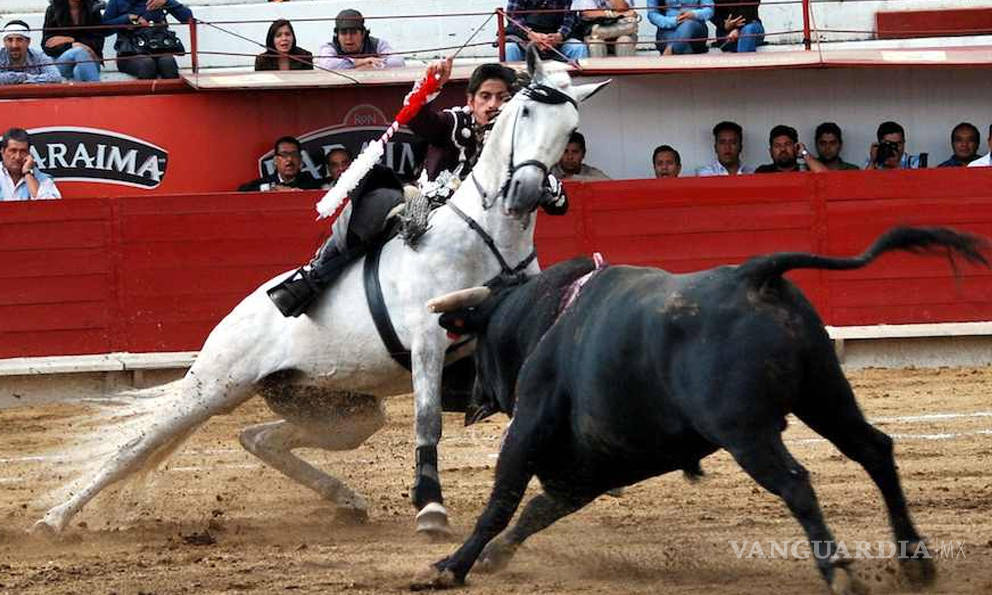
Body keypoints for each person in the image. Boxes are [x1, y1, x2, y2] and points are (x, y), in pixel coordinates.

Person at [267, 58, 570, 317]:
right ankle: (314, 276)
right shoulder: (455, 123)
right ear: (470, 101)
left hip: (486, 227)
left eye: (502, 98)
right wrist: (430, 86)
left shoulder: (516, 141)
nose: (493, 105)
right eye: (486, 97)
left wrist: (549, 187)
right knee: (376, 204)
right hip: (429, 205)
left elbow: (558, 204)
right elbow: (421, 120)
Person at [103, 0, 192, 80]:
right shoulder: (117, 2)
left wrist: (167, 2)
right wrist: (126, 19)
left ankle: (172, 97)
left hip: (160, 49)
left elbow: (188, 18)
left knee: (168, 62)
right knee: (147, 64)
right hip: (130, 54)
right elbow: (104, 30)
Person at [315, 9, 405, 70]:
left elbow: (398, 61)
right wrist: (360, 62)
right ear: (337, 35)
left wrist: (372, 66)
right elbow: (327, 64)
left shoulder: (377, 44)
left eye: (353, 32)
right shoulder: (329, 47)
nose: (348, 38)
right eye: (343, 33)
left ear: (363, 34)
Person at [504, 1, 589, 62]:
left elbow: (570, 20)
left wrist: (560, 35)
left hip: (556, 39)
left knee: (578, 47)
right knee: (510, 48)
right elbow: (513, 16)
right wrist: (530, 34)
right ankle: (514, 83)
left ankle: (578, 84)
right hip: (524, 38)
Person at [42, 0, 106, 82]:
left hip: (90, 61)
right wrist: (73, 46)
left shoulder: (93, 9)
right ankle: (99, 91)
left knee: (79, 71)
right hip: (62, 62)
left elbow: (98, 43)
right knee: (79, 51)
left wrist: (71, 40)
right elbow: (47, 46)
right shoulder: (53, 10)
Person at [238, 136, 323, 192]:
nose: (289, 159)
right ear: (275, 160)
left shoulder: (310, 182)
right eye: (284, 155)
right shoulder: (267, 182)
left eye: (294, 154)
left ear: (300, 159)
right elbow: (241, 191)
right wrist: (272, 188)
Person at [0, 128, 61, 201]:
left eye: (23, 151)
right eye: (13, 151)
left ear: (28, 153)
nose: (18, 157)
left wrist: (28, 173)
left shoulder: (43, 179)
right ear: (3, 151)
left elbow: (52, 208)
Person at [0, 20, 62, 85]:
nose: (14, 45)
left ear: (28, 42)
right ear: (4, 42)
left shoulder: (39, 56)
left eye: (19, 40)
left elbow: (56, 77)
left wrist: (24, 78)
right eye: (10, 40)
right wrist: (23, 77)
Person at [572, 0, 638, 58]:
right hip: (594, 27)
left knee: (625, 40)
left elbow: (624, 8)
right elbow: (589, 13)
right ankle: (598, 71)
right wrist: (614, 14)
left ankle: (597, 32)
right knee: (595, 44)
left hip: (618, 28)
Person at [648, 0, 712, 55]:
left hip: (695, 27)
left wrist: (694, 14)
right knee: (682, 44)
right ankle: (682, 49)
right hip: (668, 28)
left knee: (688, 24)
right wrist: (674, 20)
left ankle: (670, 52)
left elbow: (709, 10)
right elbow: (652, 15)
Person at [755, 124, 826, 173]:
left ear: (796, 147)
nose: (783, 149)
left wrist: (804, 153)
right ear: (771, 151)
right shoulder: (763, 171)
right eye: (777, 146)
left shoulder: (807, 169)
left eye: (787, 144)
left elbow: (828, 178)